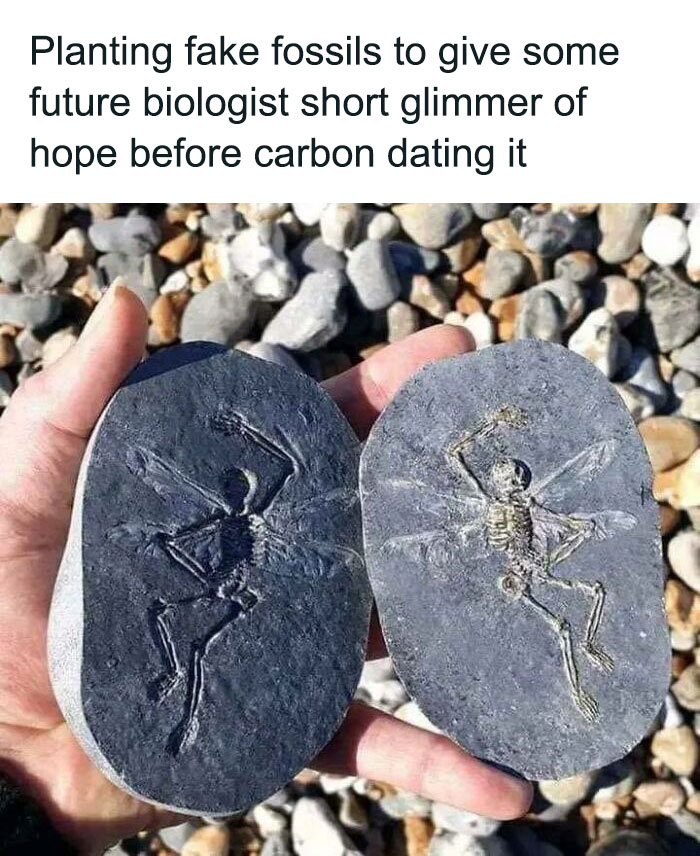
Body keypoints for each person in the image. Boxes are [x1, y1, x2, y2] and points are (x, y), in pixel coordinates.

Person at [0, 283, 532, 854]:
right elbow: (184, 533)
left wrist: (247, 436)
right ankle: (181, 686)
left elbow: (281, 468)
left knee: (195, 643)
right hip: (222, 586)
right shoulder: (218, 518)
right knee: (168, 619)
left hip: (237, 592)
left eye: (241, 485)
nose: (237, 488)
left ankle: (184, 687)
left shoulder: (254, 514)